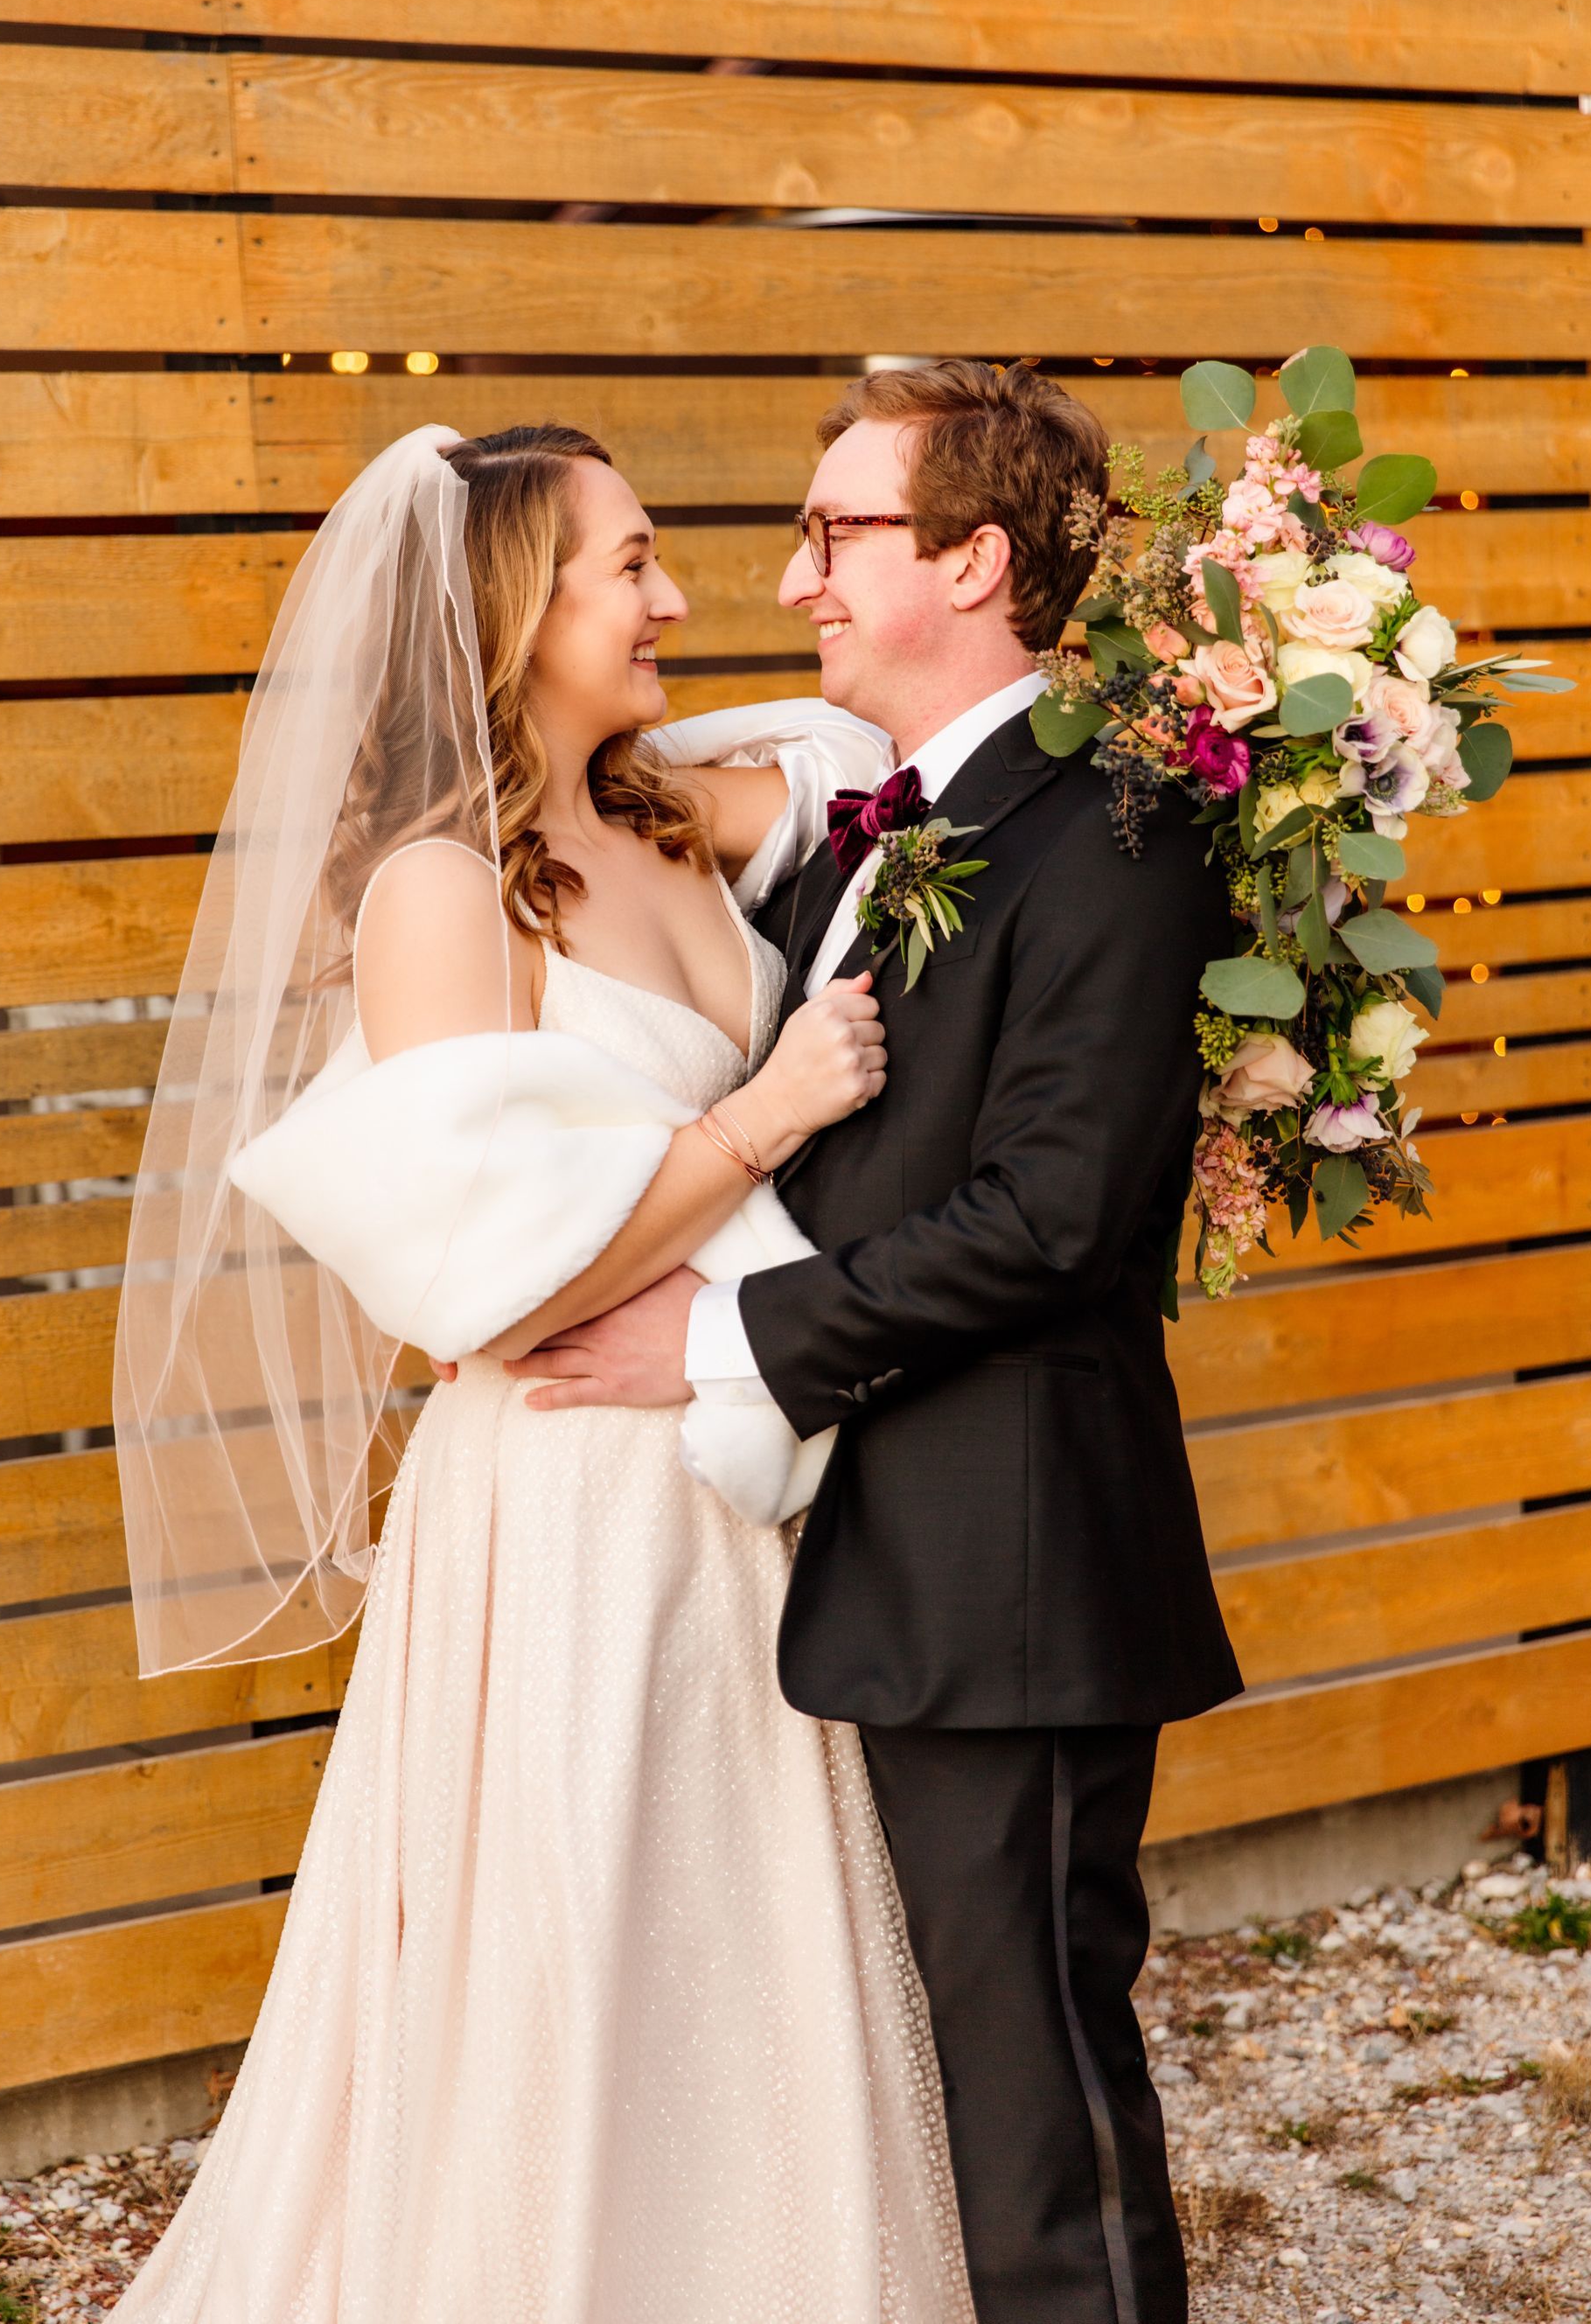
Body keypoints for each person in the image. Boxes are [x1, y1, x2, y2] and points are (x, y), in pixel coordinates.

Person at [109, 422, 974, 2320]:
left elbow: (884, 775)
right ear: (514, 608)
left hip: (725, 1455)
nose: (678, 599)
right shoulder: (440, 895)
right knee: (585, 1939)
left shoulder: (668, 820)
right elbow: (488, 1286)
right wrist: (762, 1120)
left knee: (743, 1944)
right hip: (574, 1494)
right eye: (631, 565)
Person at [505, 363, 1245, 2324]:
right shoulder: (878, 826)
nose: (796, 579)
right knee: (931, 2096)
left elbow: (1056, 1221)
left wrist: (722, 1340)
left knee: (1034, 2110)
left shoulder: (1115, 831)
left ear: (974, 560)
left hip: (1015, 1570)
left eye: (835, 534)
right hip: (885, 1555)